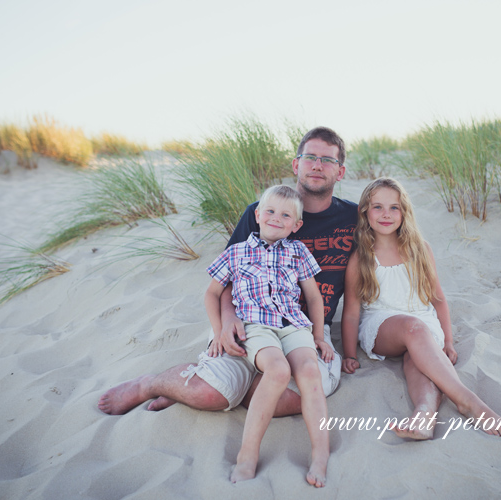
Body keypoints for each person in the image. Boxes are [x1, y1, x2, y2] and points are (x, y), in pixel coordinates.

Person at [98, 127, 357, 429]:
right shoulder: (260, 213)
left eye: (327, 160)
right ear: (295, 164)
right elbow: (228, 277)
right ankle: (152, 384)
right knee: (208, 395)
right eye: (310, 157)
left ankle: (227, 384)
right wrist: (227, 318)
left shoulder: (353, 219)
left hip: (303, 329)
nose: (317, 165)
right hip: (249, 319)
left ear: (340, 172)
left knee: (299, 398)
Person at [341, 177, 501, 439]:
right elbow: (352, 311)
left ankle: (424, 415)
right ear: (365, 212)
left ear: (404, 212)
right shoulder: (362, 257)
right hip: (382, 325)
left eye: (394, 207)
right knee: (413, 329)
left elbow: (437, 299)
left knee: (418, 361)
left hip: (424, 321)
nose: (386, 214)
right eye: (377, 207)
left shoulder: (420, 250)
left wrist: (448, 341)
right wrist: (349, 353)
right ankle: (469, 402)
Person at [205, 184, 331, 486]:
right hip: (256, 325)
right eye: (270, 211)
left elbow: (313, 297)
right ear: (258, 214)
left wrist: (319, 335)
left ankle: (321, 455)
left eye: (286, 215)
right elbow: (212, 294)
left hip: (293, 324)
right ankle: (247, 456)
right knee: (277, 370)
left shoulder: (298, 251)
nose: (277, 218)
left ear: (296, 225)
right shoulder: (236, 253)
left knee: (310, 371)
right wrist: (219, 330)